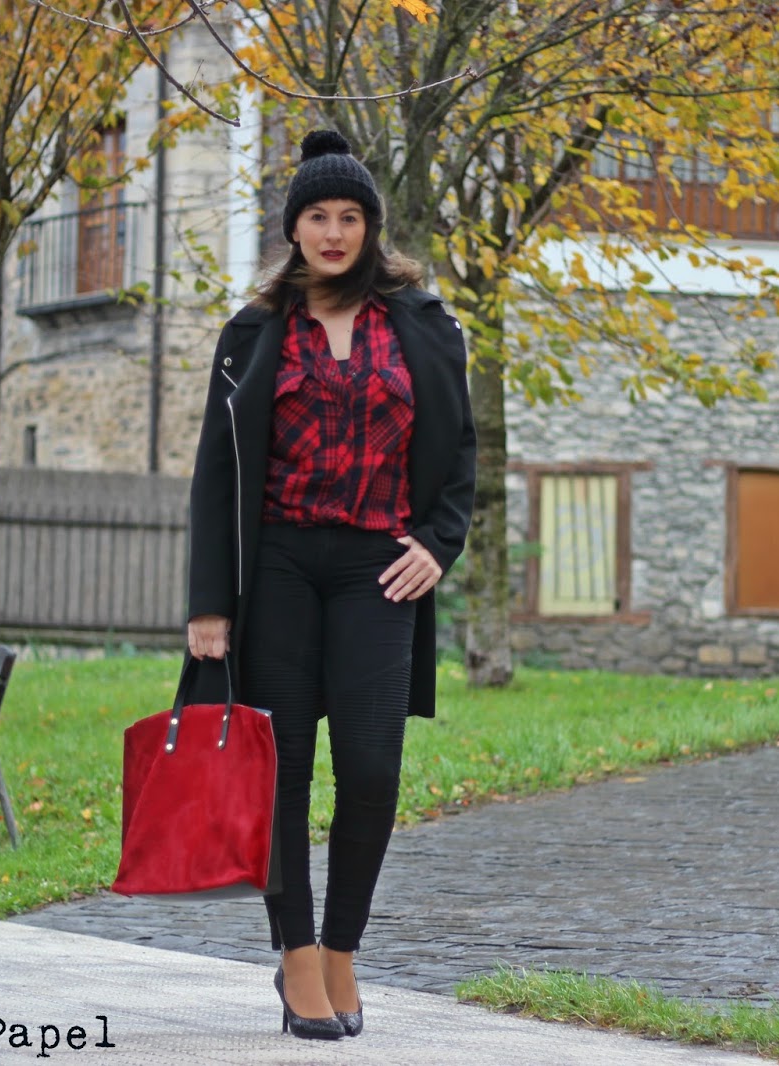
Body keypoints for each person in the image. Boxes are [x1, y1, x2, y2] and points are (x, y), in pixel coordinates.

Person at [184, 129, 476, 1041]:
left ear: (372, 227)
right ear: (295, 228)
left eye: (351, 216)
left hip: (376, 572)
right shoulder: (253, 332)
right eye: (319, 215)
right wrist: (208, 606)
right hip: (275, 566)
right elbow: (214, 473)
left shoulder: (424, 325)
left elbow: (461, 454)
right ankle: (297, 956)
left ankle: (342, 947)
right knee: (286, 772)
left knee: (373, 765)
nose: (336, 232)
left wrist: (440, 541)